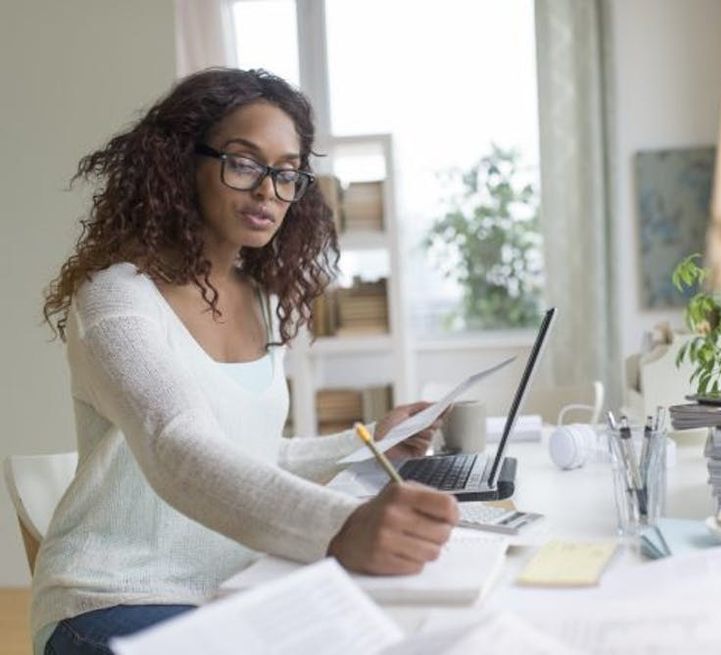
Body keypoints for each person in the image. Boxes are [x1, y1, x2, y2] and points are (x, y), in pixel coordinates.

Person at [35, 68, 458, 655]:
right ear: (185, 163)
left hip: (240, 589)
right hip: (115, 602)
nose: (267, 190)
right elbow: (176, 446)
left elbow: (254, 453)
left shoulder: (262, 299)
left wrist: (369, 445)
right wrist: (339, 528)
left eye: (287, 174)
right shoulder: (116, 297)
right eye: (244, 162)